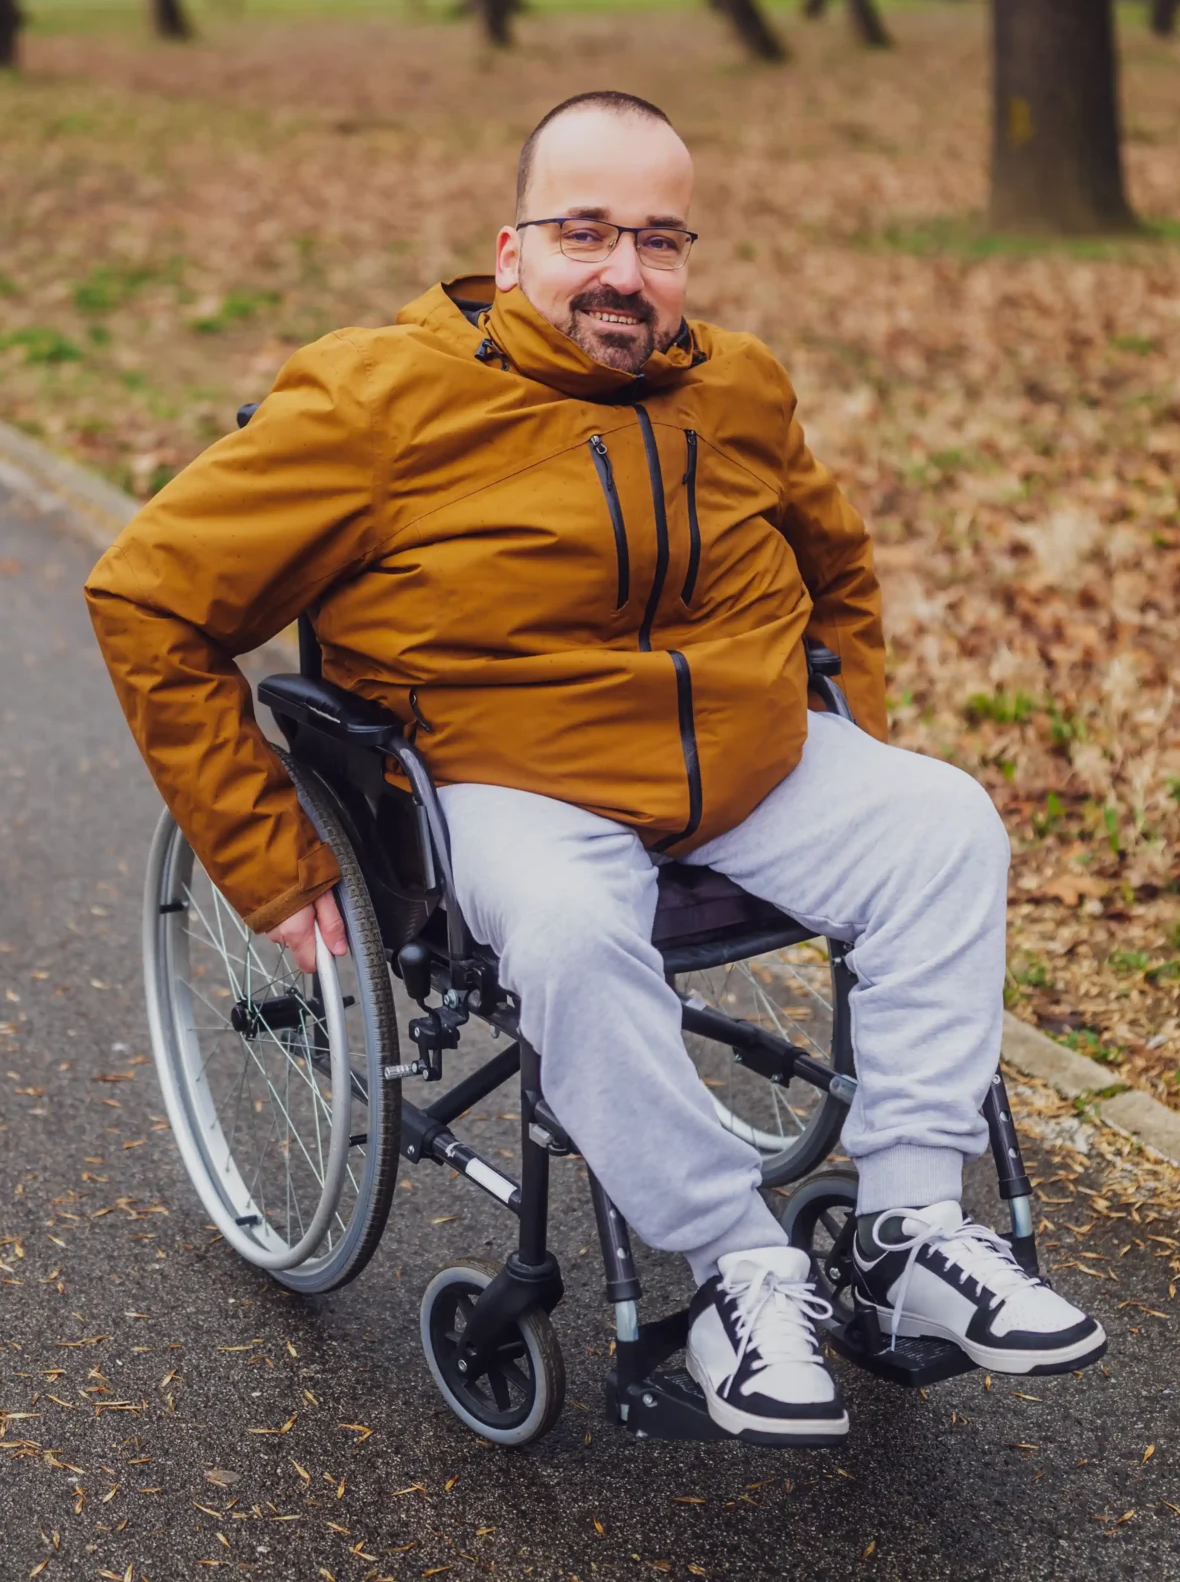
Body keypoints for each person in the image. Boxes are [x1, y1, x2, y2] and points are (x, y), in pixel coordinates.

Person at [86, 90, 1104, 1444]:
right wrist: (267, 855)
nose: (626, 273)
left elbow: (837, 563)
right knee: (569, 931)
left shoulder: (737, 385)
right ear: (511, 252)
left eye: (660, 240)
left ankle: (908, 1230)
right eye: (587, 233)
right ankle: (741, 1264)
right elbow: (148, 597)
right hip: (508, 775)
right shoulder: (377, 399)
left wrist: (851, 729)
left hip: (743, 763)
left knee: (947, 825)